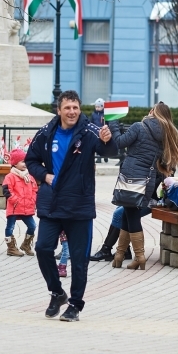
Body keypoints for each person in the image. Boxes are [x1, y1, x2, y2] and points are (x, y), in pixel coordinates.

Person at [25, 89, 118, 322]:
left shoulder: (89, 132)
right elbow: (30, 159)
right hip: (52, 203)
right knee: (43, 248)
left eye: (75, 107)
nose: (72, 112)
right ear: (59, 110)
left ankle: (75, 304)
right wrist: (45, 176)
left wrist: (108, 139)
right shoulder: (46, 133)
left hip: (79, 205)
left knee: (79, 259)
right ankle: (57, 292)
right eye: (67, 107)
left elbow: (109, 150)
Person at [110, 102, 178, 270]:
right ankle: (119, 255)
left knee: (132, 214)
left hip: (131, 179)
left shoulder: (139, 127)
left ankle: (139, 256)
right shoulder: (167, 135)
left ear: (153, 112)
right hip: (148, 181)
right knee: (127, 213)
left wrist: (113, 121)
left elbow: (119, 142)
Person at [1, 148, 37, 257]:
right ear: (15, 164)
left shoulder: (29, 177)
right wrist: (16, 200)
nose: (25, 164)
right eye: (22, 161)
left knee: (32, 226)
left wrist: (33, 200)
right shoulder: (10, 177)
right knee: (10, 227)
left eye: (26, 161)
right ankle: (11, 248)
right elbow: (7, 190)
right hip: (14, 207)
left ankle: (26, 244)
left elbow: (35, 189)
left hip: (26, 208)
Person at [92, 98, 108, 164]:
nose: (97, 108)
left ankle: (105, 156)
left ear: (102, 107)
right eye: (96, 107)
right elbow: (91, 122)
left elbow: (107, 122)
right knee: (97, 144)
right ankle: (98, 158)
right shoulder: (93, 114)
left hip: (103, 131)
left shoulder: (105, 114)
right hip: (96, 131)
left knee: (104, 144)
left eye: (98, 107)